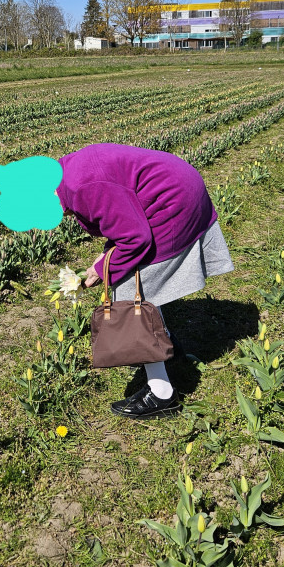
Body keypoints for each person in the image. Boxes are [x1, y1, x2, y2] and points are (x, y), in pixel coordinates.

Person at [56, 143, 233, 419]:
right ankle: (167, 348)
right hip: (180, 185)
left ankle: (162, 394)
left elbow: (135, 239)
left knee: (130, 286)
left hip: (175, 202)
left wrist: (106, 268)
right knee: (131, 273)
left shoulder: (82, 187)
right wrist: (104, 262)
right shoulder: (68, 172)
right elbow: (123, 214)